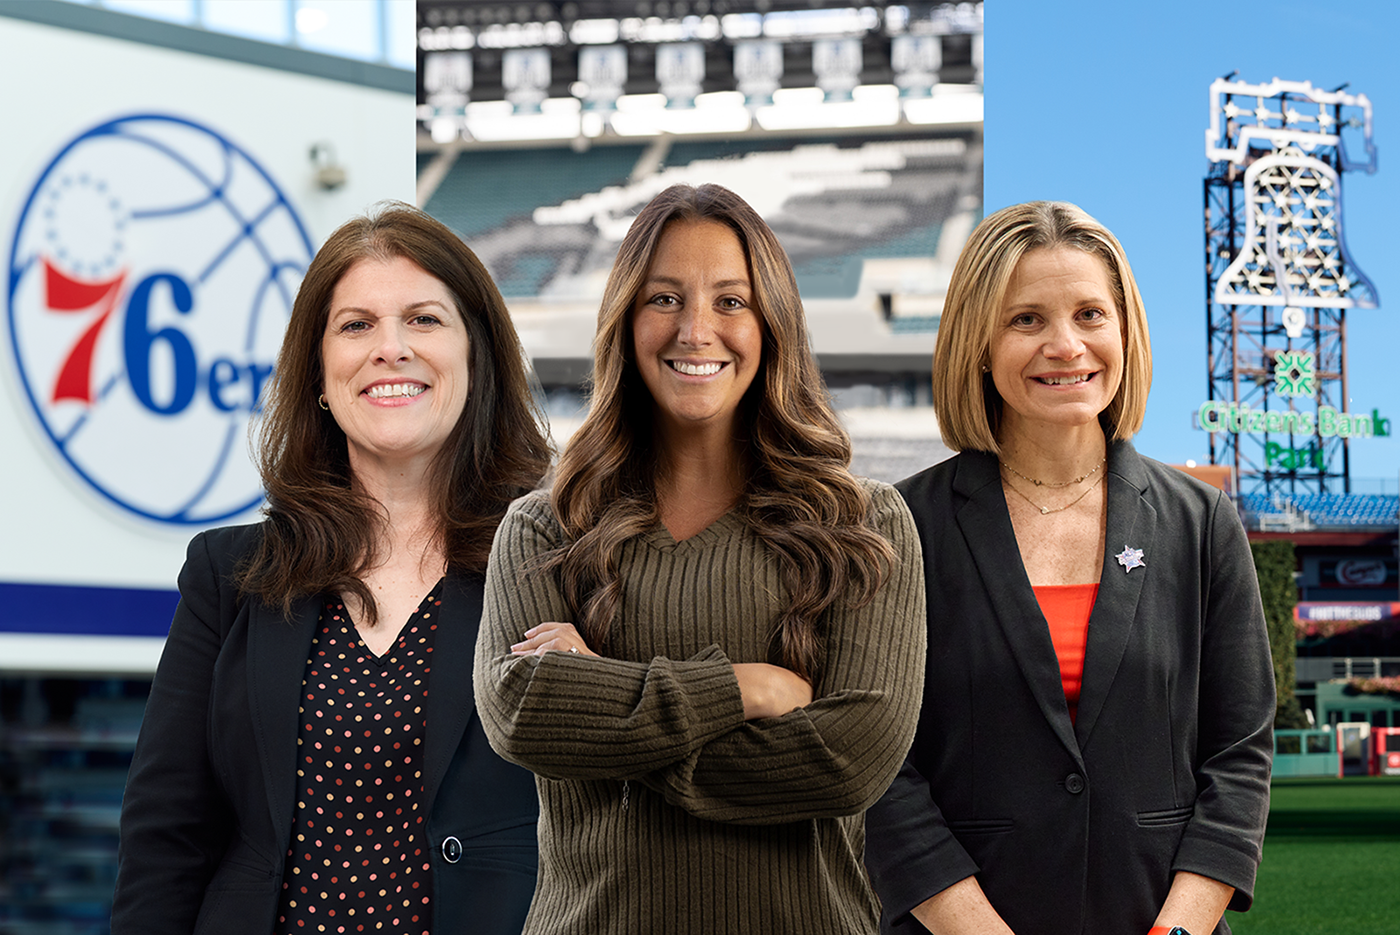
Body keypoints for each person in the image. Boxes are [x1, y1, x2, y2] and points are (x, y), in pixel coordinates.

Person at [472, 183, 927, 934]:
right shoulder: (544, 528)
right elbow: (523, 711)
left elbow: (849, 760)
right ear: (625, 320)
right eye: (663, 299)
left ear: (772, 322)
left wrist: (604, 713)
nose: (695, 329)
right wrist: (739, 688)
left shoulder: (865, 524)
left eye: (731, 301)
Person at [112, 204, 551, 935]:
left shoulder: (558, 564)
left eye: (423, 320)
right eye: (356, 325)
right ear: (320, 373)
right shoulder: (228, 576)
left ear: (477, 358)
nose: (390, 349)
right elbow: (165, 839)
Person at [864, 201, 1274, 935]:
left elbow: (1238, 752)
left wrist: (1176, 929)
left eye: (1090, 314)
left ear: (1125, 332)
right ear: (978, 343)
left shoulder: (1202, 522)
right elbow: (879, 764)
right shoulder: (901, 526)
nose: (1065, 344)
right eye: (1026, 320)